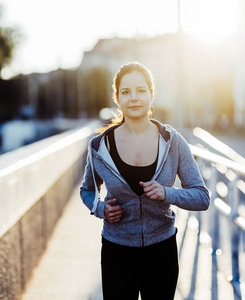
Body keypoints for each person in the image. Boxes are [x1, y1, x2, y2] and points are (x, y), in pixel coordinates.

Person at [80, 62, 210, 300]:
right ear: (117, 98)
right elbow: (87, 190)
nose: (134, 98)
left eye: (141, 91)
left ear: (151, 94)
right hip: (116, 251)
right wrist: (101, 209)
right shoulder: (100, 146)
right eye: (126, 92)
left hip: (161, 250)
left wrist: (167, 193)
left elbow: (202, 197)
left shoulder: (173, 142)